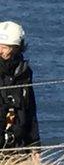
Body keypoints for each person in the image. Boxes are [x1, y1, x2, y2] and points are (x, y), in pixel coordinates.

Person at [0, 21, 39, 152]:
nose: (0, 51)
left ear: (16, 48)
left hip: (18, 144)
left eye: (4, 47)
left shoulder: (24, 72)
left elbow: (30, 110)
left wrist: (34, 145)